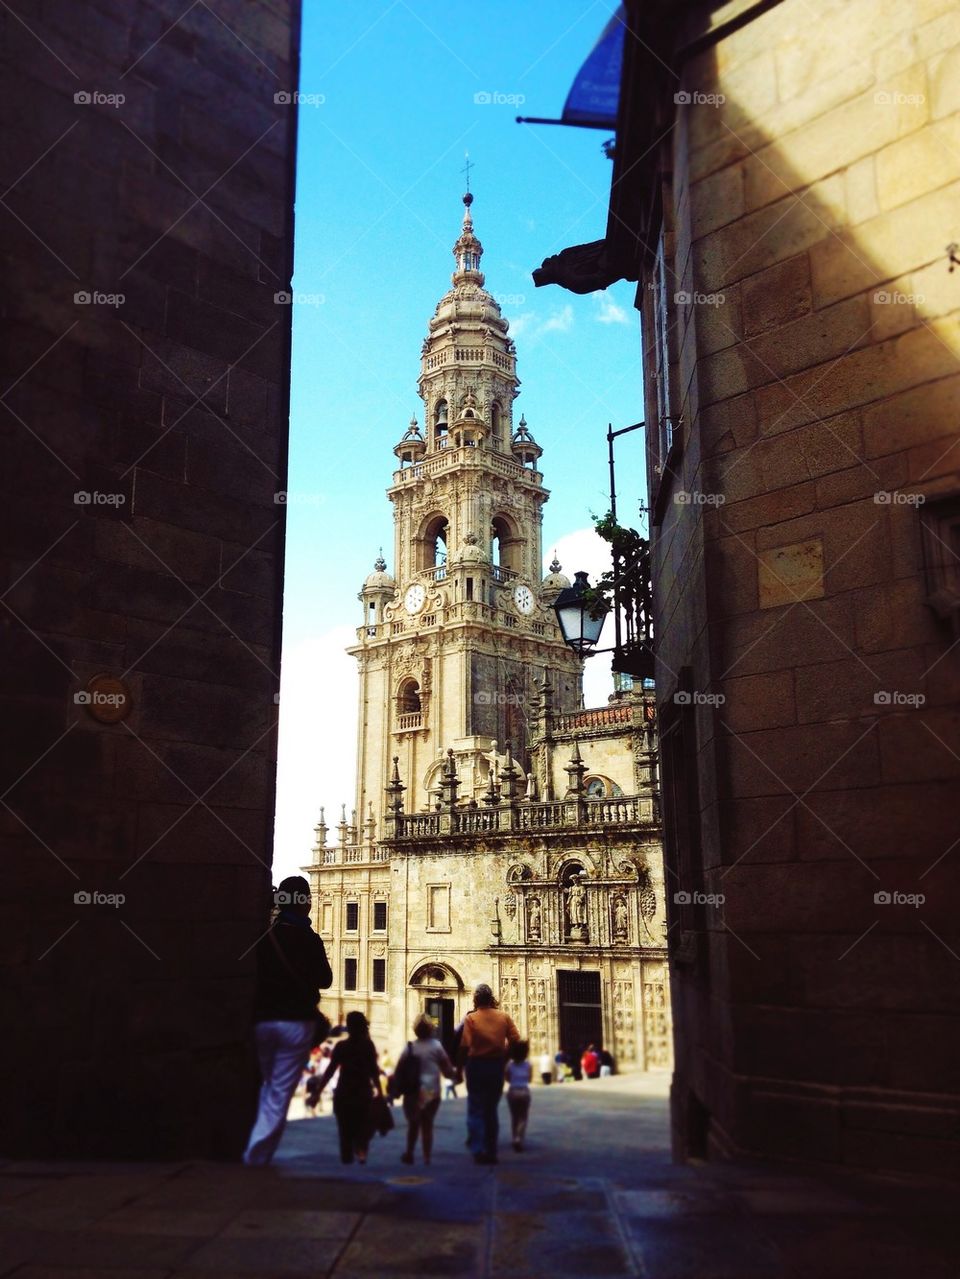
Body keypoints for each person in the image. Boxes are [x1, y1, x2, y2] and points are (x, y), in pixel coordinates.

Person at [243, 876, 332, 1166]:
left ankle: (256, 1148)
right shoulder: (308, 938)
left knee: (265, 1086)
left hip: (263, 1021)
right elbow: (325, 979)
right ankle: (255, 1156)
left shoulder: (265, 935)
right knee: (279, 1093)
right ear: (304, 902)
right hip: (295, 1023)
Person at [457, 983, 520, 1165]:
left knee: (475, 1108)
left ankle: (477, 1149)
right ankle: (491, 1151)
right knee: (491, 1110)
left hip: (476, 1066)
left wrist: (458, 1068)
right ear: (491, 998)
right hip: (495, 1066)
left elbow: (464, 1045)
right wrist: (505, 1057)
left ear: (476, 999)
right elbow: (516, 1040)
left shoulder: (471, 1019)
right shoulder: (504, 1017)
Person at [315, 1011, 382, 1165]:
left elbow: (330, 1071)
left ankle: (347, 1159)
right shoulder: (368, 1046)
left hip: (344, 1093)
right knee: (362, 1125)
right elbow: (374, 1071)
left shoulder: (341, 1046)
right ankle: (361, 1151)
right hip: (362, 1093)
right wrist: (380, 1092)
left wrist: (317, 1092)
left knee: (344, 1129)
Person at [399, 1014, 456, 1166]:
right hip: (431, 1091)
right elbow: (447, 1070)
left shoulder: (409, 1048)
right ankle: (426, 1157)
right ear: (431, 1029)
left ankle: (410, 1153)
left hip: (414, 1091)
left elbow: (399, 1070)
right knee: (427, 1124)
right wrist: (455, 1075)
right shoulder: (436, 1046)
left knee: (413, 1124)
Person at [505, 1040, 532, 1152]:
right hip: (524, 1092)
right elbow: (530, 1079)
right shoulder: (528, 1065)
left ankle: (514, 1137)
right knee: (523, 1117)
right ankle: (518, 1139)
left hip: (513, 1091)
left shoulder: (509, 1064)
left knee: (514, 1117)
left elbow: (507, 1078)